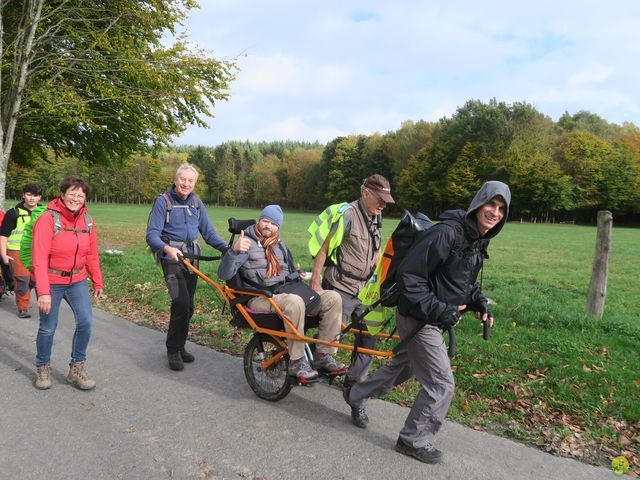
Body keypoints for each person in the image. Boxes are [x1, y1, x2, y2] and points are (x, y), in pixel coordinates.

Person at [343, 181, 511, 464]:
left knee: (403, 368)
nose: (494, 212)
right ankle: (413, 439)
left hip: (431, 315)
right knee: (441, 383)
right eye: (490, 205)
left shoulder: (476, 239)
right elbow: (410, 276)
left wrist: (478, 301)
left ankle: (356, 394)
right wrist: (439, 309)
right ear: (478, 204)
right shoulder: (447, 233)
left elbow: (459, 282)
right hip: (417, 317)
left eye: (501, 208)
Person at [218, 205, 345, 381]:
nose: (268, 226)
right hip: (258, 297)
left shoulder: (280, 245)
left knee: (333, 298)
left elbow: (288, 272)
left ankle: (322, 355)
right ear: (260, 220)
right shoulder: (245, 242)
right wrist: (233, 251)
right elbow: (224, 274)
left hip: (284, 291)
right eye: (265, 221)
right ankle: (297, 361)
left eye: (273, 223)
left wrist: (296, 275)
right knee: (294, 302)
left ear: (278, 227)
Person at [309, 174, 394, 385]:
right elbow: (324, 248)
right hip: (341, 286)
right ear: (366, 193)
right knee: (333, 341)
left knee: (368, 337)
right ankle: (312, 356)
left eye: (386, 201)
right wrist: (316, 283)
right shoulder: (347, 214)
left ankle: (355, 384)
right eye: (380, 200)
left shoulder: (375, 217)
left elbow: (375, 252)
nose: (383, 205)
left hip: (364, 290)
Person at [146, 163, 228, 371]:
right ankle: (172, 350)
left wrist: (228, 249)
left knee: (188, 306)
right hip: (171, 260)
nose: (186, 184)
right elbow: (152, 234)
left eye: (190, 181)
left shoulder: (197, 205)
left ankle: (180, 346)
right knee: (180, 302)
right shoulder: (163, 202)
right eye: (182, 179)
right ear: (175, 180)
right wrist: (166, 249)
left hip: (192, 260)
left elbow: (209, 234)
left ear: (194, 184)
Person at [32, 177, 103, 390]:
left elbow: (91, 254)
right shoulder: (47, 219)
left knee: (86, 322)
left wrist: (97, 280)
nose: (76, 198)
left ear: (85, 199)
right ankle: (43, 367)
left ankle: (77, 368)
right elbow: (39, 257)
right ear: (62, 195)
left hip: (77, 280)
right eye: (72, 193)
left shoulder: (87, 221)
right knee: (48, 327)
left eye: (81, 195)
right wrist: (43, 291)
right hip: (51, 281)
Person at [0, 183, 43, 318]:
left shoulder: (45, 212)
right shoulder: (13, 213)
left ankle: (12, 284)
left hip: (38, 251)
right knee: (23, 280)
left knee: (35, 279)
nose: (32, 198)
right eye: (29, 195)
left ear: (40, 198)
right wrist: (3, 255)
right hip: (17, 252)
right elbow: (3, 235)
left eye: (35, 195)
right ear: (23, 195)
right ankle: (23, 308)